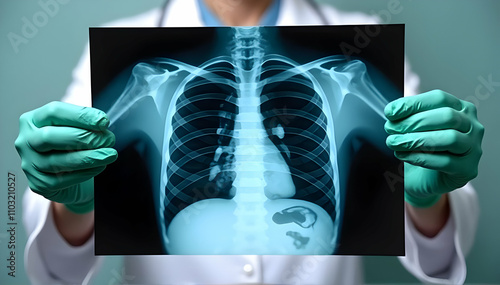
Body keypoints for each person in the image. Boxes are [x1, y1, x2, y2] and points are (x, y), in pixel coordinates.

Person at [16, 0, 483, 284]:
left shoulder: (361, 41)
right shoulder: (121, 50)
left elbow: (442, 251)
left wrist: (432, 196)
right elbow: (58, 270)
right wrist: (70, 203)